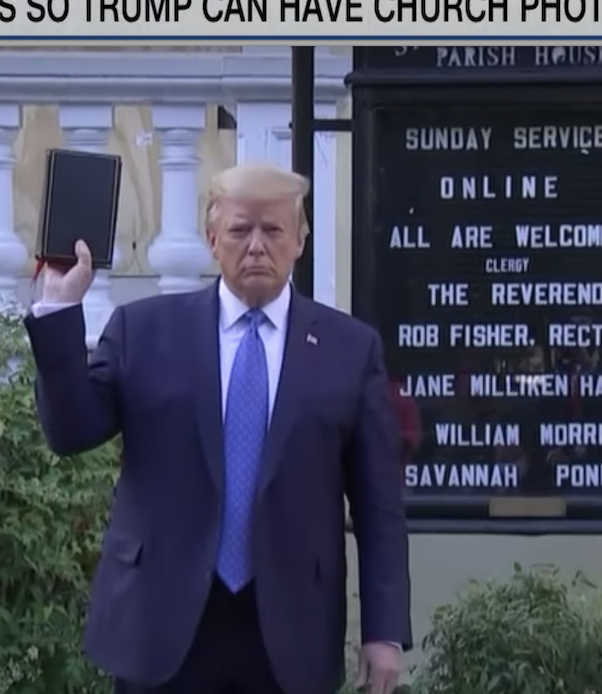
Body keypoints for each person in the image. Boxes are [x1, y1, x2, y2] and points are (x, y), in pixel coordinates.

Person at [25, 162, 411, 694]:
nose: (256, 246)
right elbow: (69, 432)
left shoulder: (350, 350)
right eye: (239, 229)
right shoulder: (145, 331)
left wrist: (384, 630)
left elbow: (378, 505)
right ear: (211, 239)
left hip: (289, 629)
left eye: (273, 230)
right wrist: (58, 308)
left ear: (300, 240)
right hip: (162, 623)